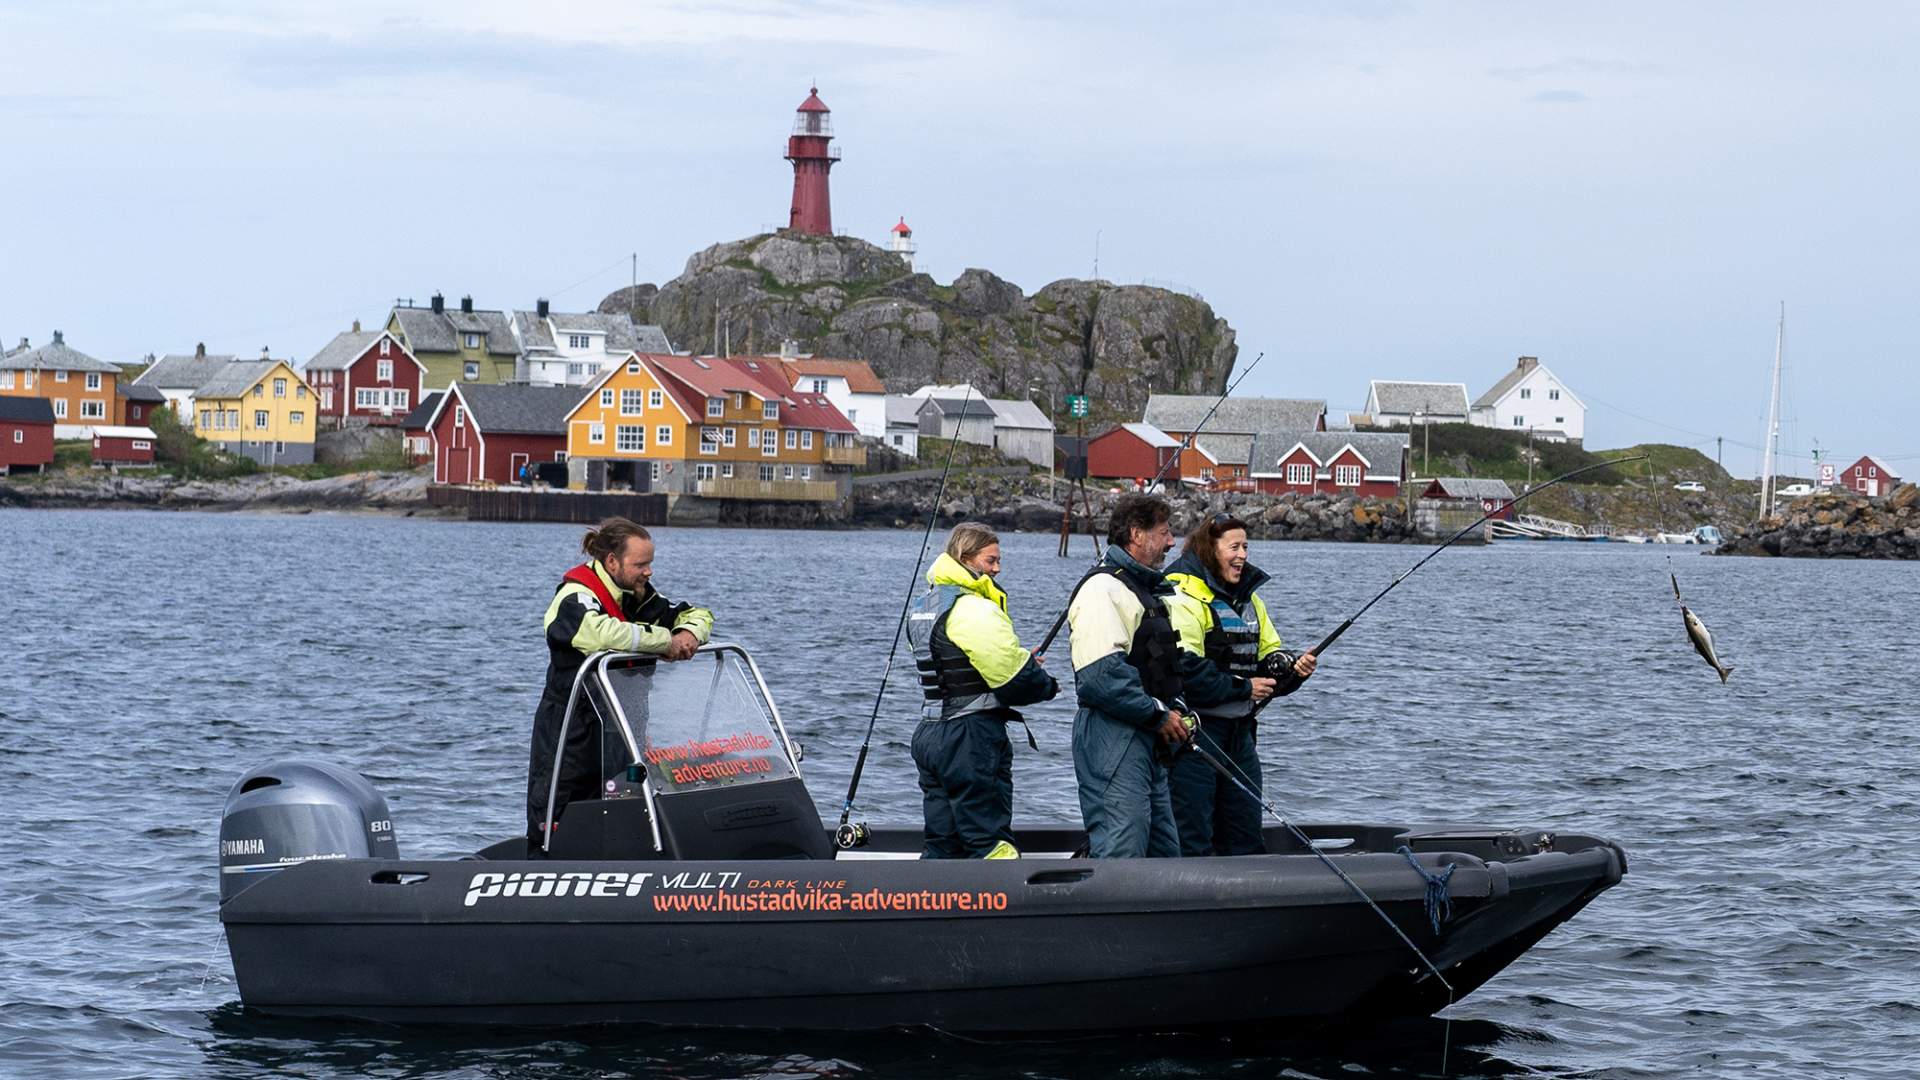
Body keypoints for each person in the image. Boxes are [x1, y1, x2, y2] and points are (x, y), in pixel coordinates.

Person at [526, 517, 713, 854]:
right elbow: (601, 634)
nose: (648, 572)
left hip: (625, 728)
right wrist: (664, 641)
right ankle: (543, 866)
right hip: (572, 730)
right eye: (640, 564)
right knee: (556, 813)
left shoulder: (638, 596)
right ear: (611, 561)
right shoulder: (574, 597)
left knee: (627, 810)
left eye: (650, 563)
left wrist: (688, 635)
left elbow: (698, 614)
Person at [1164, 513, 1317, 856]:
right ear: (1210, 550)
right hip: (1195, 736)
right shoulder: (1182, 595)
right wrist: (1245, 688)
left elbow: (1268, 660)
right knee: (1192, 835)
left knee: (1245, 832)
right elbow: (1185, 671)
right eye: (1234, 547)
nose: (1243, 555)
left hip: (1241, 736)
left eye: (1245, 546)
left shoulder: (1251, 601)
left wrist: (1292, 671)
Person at [905, 523, 1059, 859]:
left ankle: (934, 907)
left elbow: (951, 662)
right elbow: (1013, 679)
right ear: (965, 558)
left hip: (930, 735)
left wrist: (1020, 661)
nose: (997, 569)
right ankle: (1000, 908)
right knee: (988, 842)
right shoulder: (973, 607)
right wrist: (1046, 684)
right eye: (991, 560)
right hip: (969, 739)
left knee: (941, 843)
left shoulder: (924, 607)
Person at [1066, 494, 1190, 858]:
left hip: (1145, 735)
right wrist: (1158, 714)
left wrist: (1175, 708)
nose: (1171, 542)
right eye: (1164, 533)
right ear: (1137, 534)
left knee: (1163, 850)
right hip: (1112, 736)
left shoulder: (1140, 590)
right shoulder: (1102, 590)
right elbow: (1100, 676)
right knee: (1123, 846)